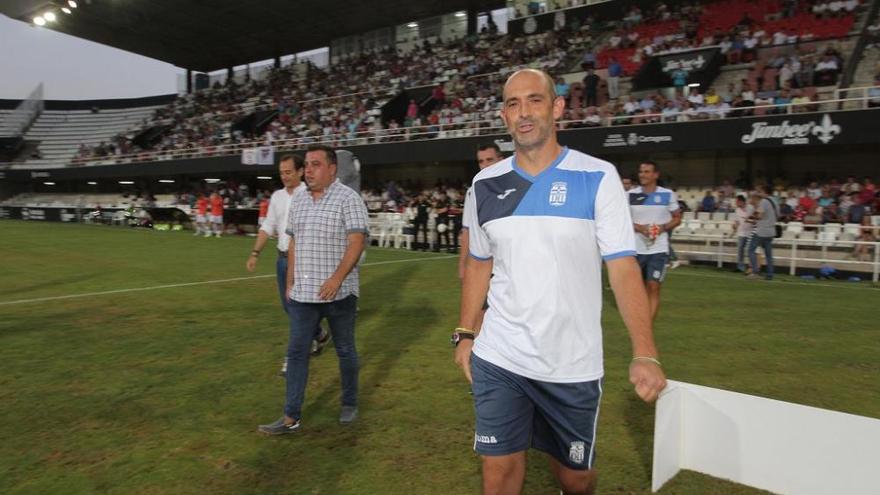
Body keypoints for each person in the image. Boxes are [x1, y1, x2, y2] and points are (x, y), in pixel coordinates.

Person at [454, 69, 666, 495]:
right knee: (499, 472)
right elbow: (478, 262)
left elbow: (623, 267)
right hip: (502, 354)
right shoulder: (484, 185)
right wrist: (464, 332)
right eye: (513, 104)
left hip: (571, 362)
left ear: (557, 107)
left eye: (534, 100)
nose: (523, 113)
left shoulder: (598, 177)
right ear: (503, 115)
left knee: (576, 479)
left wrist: (646, 352)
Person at [259, 144, 369, 435]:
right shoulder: (300, 201)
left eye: (315, 164)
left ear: (332, 168)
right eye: (306, 165)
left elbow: (357, 241)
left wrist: (336, 279)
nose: (308, 170)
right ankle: (290, 416)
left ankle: (349, 402)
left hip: (340, 293)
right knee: (296, 353)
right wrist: (291, 281)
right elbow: (293, 242)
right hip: (304, 294)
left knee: (345, 350)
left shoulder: (349, 199)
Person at [246, 154, 330, 376]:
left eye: (288, 172)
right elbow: (268, 225)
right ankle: (318, 333)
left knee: (297, 310)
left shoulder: (312, 194)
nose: (284, 176)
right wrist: (255, 252)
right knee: (289, 307)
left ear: (301, 171)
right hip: (282, 259)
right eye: (281, 173)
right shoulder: (277, 197)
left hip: (304, 261)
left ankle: (292, 359)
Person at [458, 143, 504, 340]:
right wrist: (462, 264)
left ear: (500, 160)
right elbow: (467, 230)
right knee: (480, 312)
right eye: (481, 161)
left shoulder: (518, 186)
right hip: (483, 265)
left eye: (489, 160)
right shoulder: (474, 191)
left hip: (510, 265)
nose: (485, 165)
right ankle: (476, 355)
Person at [629, 161, 682, 323]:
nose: (642, 174)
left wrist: (661, 228)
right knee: (636, 289)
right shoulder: (630, 195)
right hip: (635, 249)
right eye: (641, 171)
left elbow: (677, 218)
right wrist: (640, 228)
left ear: (656, 175)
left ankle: (647, 325)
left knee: (653, 286)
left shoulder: (668, 194)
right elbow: (622, 220)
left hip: (658, 249)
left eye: (646, 171)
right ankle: (638, 318)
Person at [747, 187, 778, 280]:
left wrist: (752, 217)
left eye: (760, 191)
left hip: (762, 230)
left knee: (751, 250)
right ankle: (770, 274)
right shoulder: (775, 202)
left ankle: (755, 272)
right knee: (769, 254)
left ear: (764, 192)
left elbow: (760, 215)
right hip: (771, 230)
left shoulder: (764, 201)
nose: (759, 193)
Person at [733, 194, 755, 273]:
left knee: (750, 251)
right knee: (740, 251)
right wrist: (734, 227)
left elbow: (755, 219)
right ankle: (740, 267)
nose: (736, 203)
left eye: (737, 202)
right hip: (741, 233)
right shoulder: (737, 210)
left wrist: (749, 220)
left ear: (741, 201)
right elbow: (736, 221)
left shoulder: (751, 208)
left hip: (750, 233)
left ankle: (751, 268)